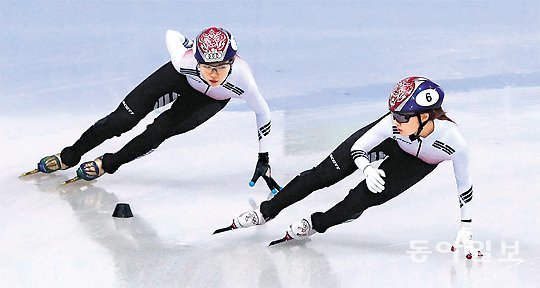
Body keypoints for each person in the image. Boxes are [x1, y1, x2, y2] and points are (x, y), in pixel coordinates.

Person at [221, 76, 482, 259]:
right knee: (322, 175)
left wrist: (466, 226)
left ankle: (314, 224)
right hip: (388, 144)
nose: (396, 120)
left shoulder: (453, 142)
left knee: (358, 200)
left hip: (414, 163)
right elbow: (359, 148)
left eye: (402, 116)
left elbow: (464, 184)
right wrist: (367, 168)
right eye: (393, 114)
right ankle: (267, 212)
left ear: (424, 116)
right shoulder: (391, 125)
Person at [27, 27, 281, 193]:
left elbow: (263, 113)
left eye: (221, 68)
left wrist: (263, 157)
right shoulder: (184, 60)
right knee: (122, 120)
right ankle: (69, 156)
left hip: (207, 102)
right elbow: (172, 34)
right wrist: (190, 45)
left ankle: (108, 163)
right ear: (198, 60)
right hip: (177, 79)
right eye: (207, 67)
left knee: (158, 131)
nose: (214, 75)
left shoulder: (242, 79)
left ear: (232, 62)